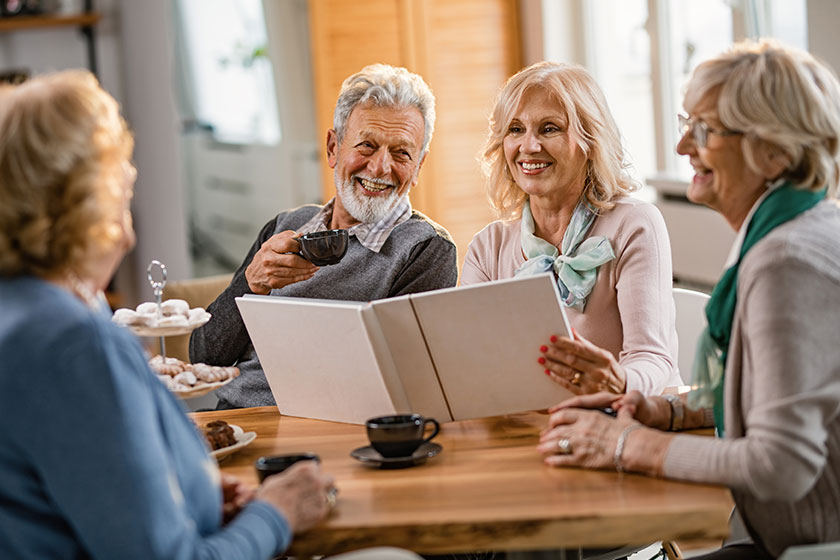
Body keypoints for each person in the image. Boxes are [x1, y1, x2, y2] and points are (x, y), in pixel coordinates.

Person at [0, 70, 422, 560]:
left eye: (402, 152)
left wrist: (193, 495)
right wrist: (275, 514)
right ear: (92, 203)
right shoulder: (78, 345)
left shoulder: (24, 311)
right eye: (122, 177)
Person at [539, 40, 840, 559]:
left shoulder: (784, 260)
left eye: (705, 129)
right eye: (685, 122)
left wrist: (624, 444)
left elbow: (782, 465)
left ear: (775, 149)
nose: (682, 146)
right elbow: (778, 395)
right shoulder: (798, 225)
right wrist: (670, 411)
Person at [191, 63, 458, 410]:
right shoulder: (284, 226)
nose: (380, 168)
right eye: (366, 145)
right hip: (234, 421)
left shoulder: (425, 248)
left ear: (419, 166)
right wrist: (250, 284)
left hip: (323, 432)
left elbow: (403, 385)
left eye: (402, 153)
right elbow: (205, 358)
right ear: (333, 148)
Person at [462, 61, 679, 397]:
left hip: (626, 419)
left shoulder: (634, 225)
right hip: (529, 423)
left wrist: (615, 381)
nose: (529, 147)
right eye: (515, 130)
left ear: (590, 140)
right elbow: (471, 361)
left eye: (549, 128)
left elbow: (652, 358)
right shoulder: (487, 248)